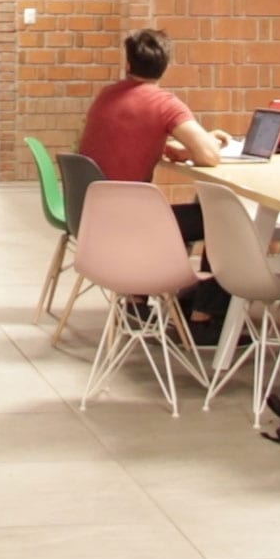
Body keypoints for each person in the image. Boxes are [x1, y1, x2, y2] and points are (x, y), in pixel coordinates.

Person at [76, 29, 232, 341]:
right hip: (133, 222)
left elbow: (125, 138)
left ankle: (136, 301)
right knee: (223, 219)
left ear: (127, 62)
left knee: (200, 212)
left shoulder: (107, 96)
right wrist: (207, 142)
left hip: (94, 217)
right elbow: (210, 157)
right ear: (166, 64)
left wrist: (170, 148)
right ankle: (203, 316)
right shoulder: (163, 103)